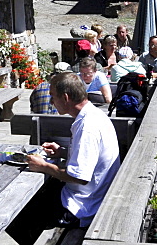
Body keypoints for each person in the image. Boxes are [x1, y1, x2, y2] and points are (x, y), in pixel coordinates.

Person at [25, 72, 120, 228]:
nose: (51, 102)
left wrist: (43, 166)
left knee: (18, 212)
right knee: (36, 197)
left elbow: (80, 177)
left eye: (53, 96)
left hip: (82, 207)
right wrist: (62, 152)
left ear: (65, 97)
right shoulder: (93, 114)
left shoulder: (87, 127)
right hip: (91, 196)